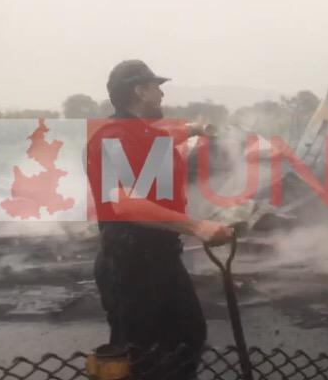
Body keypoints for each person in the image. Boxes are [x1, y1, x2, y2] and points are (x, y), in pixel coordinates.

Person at [87, 60, 234, 379]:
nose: (162, 93)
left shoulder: (141, 133)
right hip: (130, 261)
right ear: (140, 91)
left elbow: (168, 135)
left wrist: (196, 130)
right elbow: (123, 201)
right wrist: (197, 226)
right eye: (156, 87)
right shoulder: (112, 137)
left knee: (186, 337)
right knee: (142, 354)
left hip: (158, 255)